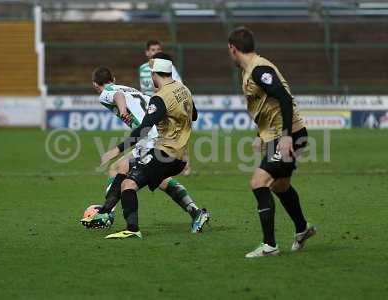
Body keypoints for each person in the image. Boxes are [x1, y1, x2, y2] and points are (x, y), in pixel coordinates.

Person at [80, 65, 209, 235]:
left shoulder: (106, 93)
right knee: (146, 174)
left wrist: (123, 109)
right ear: (114, 79)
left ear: (95, 85)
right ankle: (195, 212)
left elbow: (118, 97)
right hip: (156, 134)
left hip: (148, 138)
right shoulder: (128, 88)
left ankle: (108, 215)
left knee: (122, 172)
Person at [227, 27, 316, 258]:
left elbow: (285, 99)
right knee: (280, 186)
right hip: (280, 134)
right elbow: (267, 106)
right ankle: (302, 229)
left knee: (259, 182)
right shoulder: (249, 71)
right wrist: (260, 135)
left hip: (289, 134)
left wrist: (286, 136)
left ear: (232, 48)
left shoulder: (259, 69)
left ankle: (270, 245)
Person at [139, 40, 191, 175]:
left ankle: (183, 162)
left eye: (158, 49)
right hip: (154, 106)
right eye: (152, 50)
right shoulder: (143, 69)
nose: (155, 52)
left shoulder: (168, 67)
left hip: (168, 105)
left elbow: (178, 85)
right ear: (147, 52)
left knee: (174, 134)